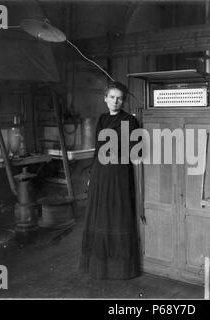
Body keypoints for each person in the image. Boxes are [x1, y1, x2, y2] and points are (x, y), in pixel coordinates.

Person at [80, 81, 141, 279]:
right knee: (99, 216)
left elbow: (134, 150)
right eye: (112, 97)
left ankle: (118, 270)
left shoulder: (129, 121)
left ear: (123, 101)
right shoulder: (102, 119)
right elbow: (98, 149)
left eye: (119, 98)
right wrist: (92, 174)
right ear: (105, 98)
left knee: (116, 215)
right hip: (100, 173)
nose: (115, 101)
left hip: (118, 173)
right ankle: (98, 268)